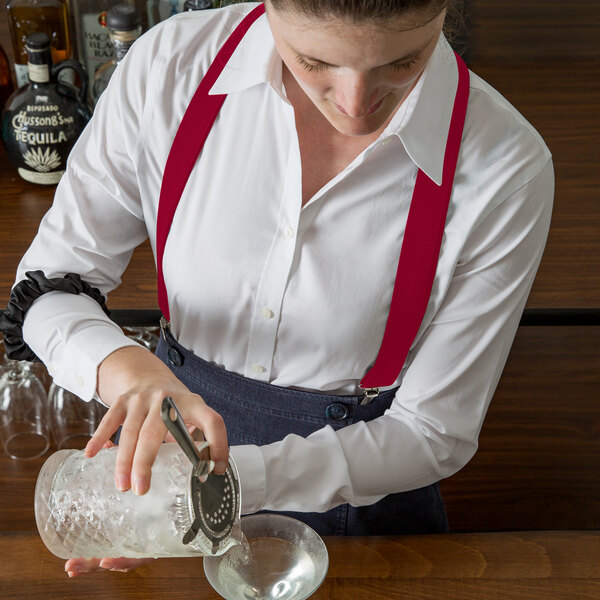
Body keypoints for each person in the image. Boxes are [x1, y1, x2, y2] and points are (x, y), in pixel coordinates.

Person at [1, 0, 553, 577]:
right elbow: (49, 287)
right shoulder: (170, 66)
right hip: (166, 475)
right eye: (315, 62)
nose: (356, 105)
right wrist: (126, 371)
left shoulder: (505, 167)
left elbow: (431, 431)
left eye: (403, 62)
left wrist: (226, 483)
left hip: (362, 512)